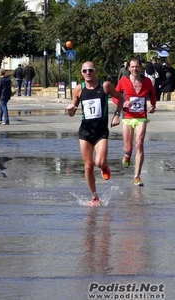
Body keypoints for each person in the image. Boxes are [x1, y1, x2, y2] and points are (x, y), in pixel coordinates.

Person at [66, 61, 124, 206]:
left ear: (95, 71)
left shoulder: (105, 86)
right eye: (85, 71)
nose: (87, 73)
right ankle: (94, 196)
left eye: (90, 70)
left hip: (101, 131)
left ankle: (104, 165)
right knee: (88, 166)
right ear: (81, 73)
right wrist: (70, 110)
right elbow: (73, 111)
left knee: (99, 162)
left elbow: (121, 99)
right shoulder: (79, 89)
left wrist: (117, 115)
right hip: (85, 132)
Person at [112, 57, 157, 187]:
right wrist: (123, 102)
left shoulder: (147, 81)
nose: (134, 69)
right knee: (128, 148)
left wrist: (153, 105)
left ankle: (137, 176)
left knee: (139, 144)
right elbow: (115, 96)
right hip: (127, 116)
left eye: (137, 66)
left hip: (141, 117)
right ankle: (127, 155)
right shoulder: (123, 80)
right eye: (132, 67)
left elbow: (153, 94)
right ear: (128, 68)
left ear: (140, 67)